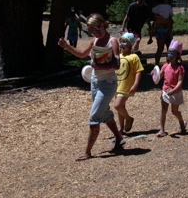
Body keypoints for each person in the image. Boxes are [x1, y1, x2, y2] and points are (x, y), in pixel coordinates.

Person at [58, 13, 125, 161]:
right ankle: (119, 137)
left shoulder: (112, 41)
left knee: (94, 116)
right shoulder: (95, 40)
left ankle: (87, 151)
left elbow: (116, 64)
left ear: (102, 25)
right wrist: (67, 46)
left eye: (95, 29)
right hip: (95, 83)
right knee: (105, 112)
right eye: (91, 30)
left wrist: (98, 64)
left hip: (108, 84)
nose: (93, 33)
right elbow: (82, 54)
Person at [155, 39, 186, 137]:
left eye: (173, 53)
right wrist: (154, 74)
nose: (170, 55)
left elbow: (180, 81)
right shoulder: (165, 66)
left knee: (174, 111)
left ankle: (181, 123)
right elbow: (158, 77)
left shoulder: (180, 68)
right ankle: (162, 130)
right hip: (165, 91)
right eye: (169, 53)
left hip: (175, 92)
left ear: (177, 55)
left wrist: (173, 90)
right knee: (163, 110)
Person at [115, 32, 144, 134]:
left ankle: (129, 118)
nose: (122, 44)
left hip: (126, 86)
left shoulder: (134, 57)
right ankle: (121, 129)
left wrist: (135, 84)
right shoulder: (118, 55)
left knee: (117, 106)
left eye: (125, 42)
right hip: (116, 85)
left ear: (131, 44)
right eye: (121, 42)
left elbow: (138, 71)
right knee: (121, 107)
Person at [152, 0, 174, 66]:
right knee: (162, 48)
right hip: (161, 27)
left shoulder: (161, 7)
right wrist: (167, 21)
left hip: (164, 26)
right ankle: (157, 64)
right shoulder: (160, 7)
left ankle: (168, 63)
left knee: (168, 47)